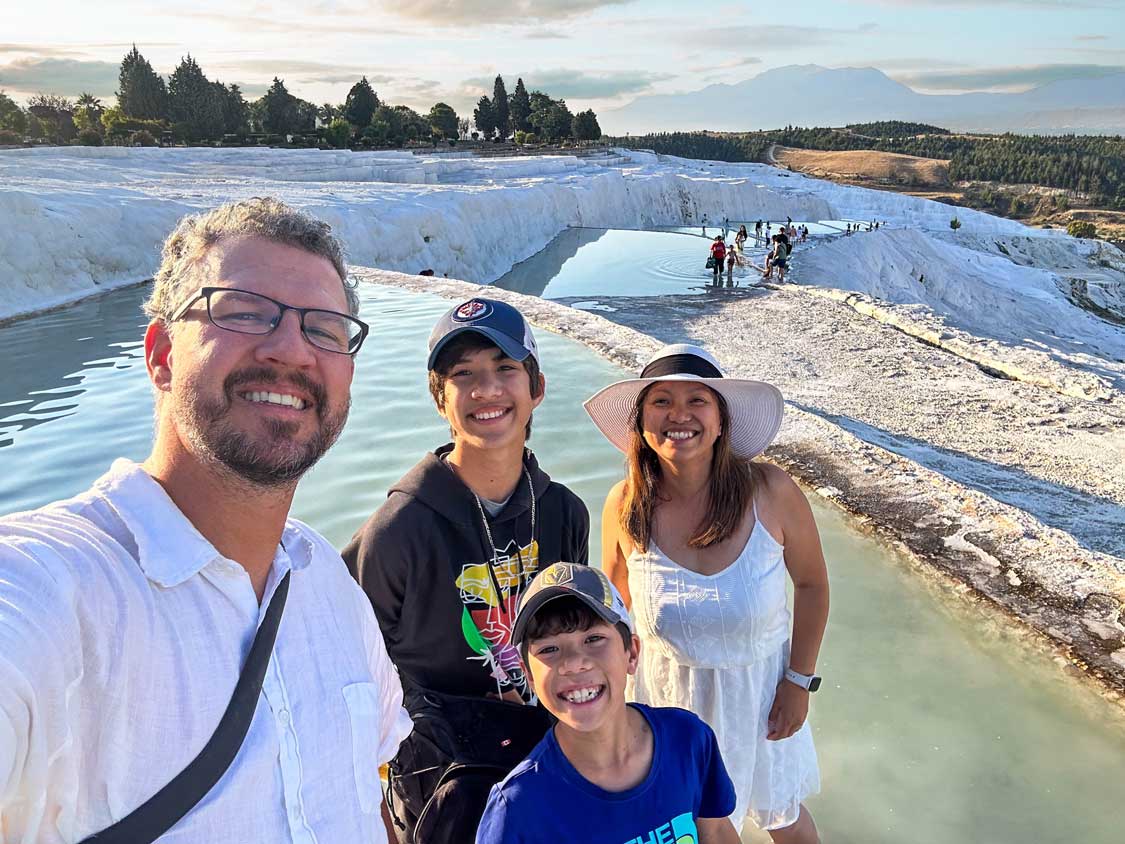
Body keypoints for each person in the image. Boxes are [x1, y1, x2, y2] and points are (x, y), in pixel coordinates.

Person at [0, 198, 412, 842]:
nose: (291, 351)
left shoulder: (329, 585)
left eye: (325, 329)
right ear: (162, 354)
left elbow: (371, 792)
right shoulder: (54, 588)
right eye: (244, 312)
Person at [343, 297, 590, 844]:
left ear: (537, 388)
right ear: (440, 399)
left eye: (506, 369)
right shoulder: (399, 529)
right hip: (443, 777)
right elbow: (348, 666)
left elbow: (580, 634)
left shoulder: (563, 513)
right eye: (464, 375)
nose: (488, 391)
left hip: (546, 747)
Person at [586, 344, 829, 843]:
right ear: (641, 422)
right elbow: (611, 614)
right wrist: (602, 708)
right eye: (661, 402)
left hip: (761, 693)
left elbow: (812, 585)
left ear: (721, 421)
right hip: (666, 701)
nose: (680, 415)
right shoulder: (626, 504)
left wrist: (798, 682)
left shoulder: (770, 491)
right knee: (696, 829)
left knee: (783, 816)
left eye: (698, 400)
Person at [475, 562, 741, 844]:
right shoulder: (518, 805)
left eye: (594, 639)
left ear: (632, 653)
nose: (574, 663)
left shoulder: (688, 739)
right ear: (527, 673)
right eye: (549, 649)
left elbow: (717, 833)